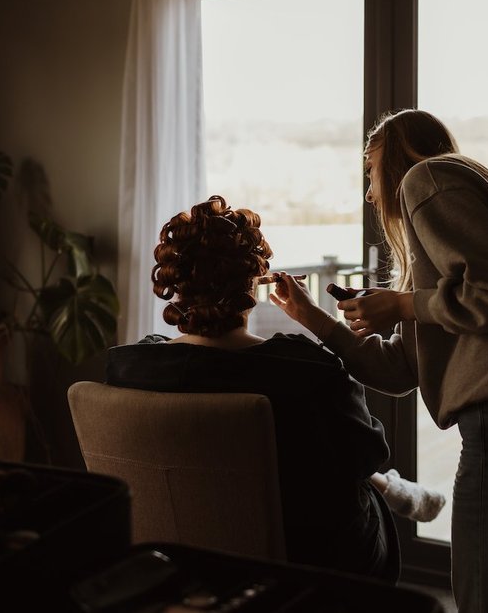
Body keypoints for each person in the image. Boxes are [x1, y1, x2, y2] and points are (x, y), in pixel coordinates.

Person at [270, 109, 488, 612]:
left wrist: (403, 305)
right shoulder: (466, 209)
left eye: (371, 171)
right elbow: (399, 371)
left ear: (397, 158)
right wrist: (315, 319)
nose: (370, 194)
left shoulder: (429, 177)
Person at [104, 195, 442, 582]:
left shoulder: (130, 366)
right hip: (304, 559)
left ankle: (389, 487)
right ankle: (390, 488)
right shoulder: (303, 368)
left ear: (175, 284)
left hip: (172, 554)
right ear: (254, 283)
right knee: (344, 466)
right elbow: (366, 453)